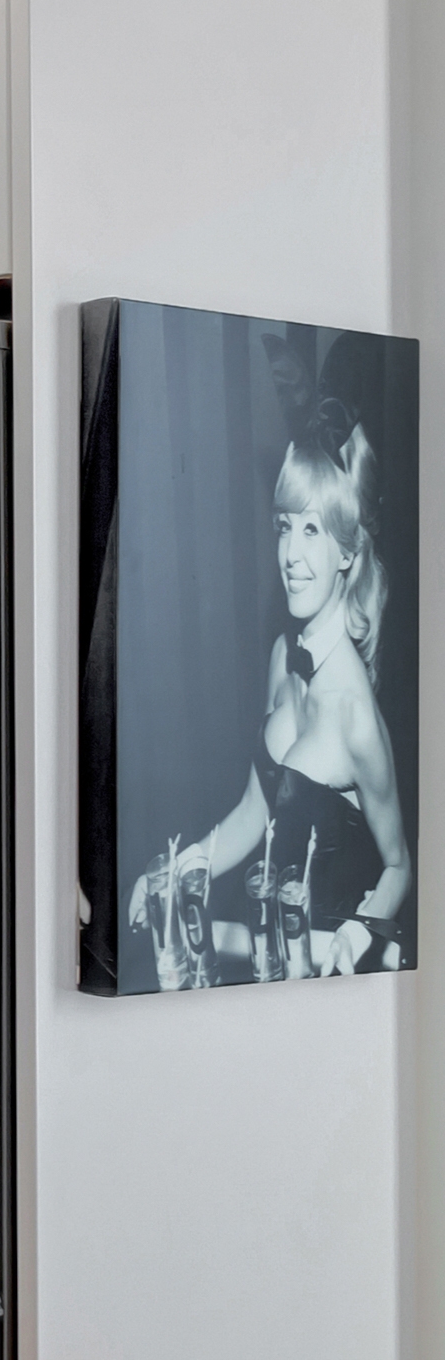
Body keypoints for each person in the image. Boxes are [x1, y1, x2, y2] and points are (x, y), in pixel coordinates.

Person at [131, 395, 411, 981]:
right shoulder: (284, 654)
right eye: (285, 527)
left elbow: (400, 866)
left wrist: (363, 929)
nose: (291, 553)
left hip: (341, 971)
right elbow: (253, 814)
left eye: (313, 530)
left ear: (347, 551)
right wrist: (183, 866)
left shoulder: (356, 716)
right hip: (275, 955)